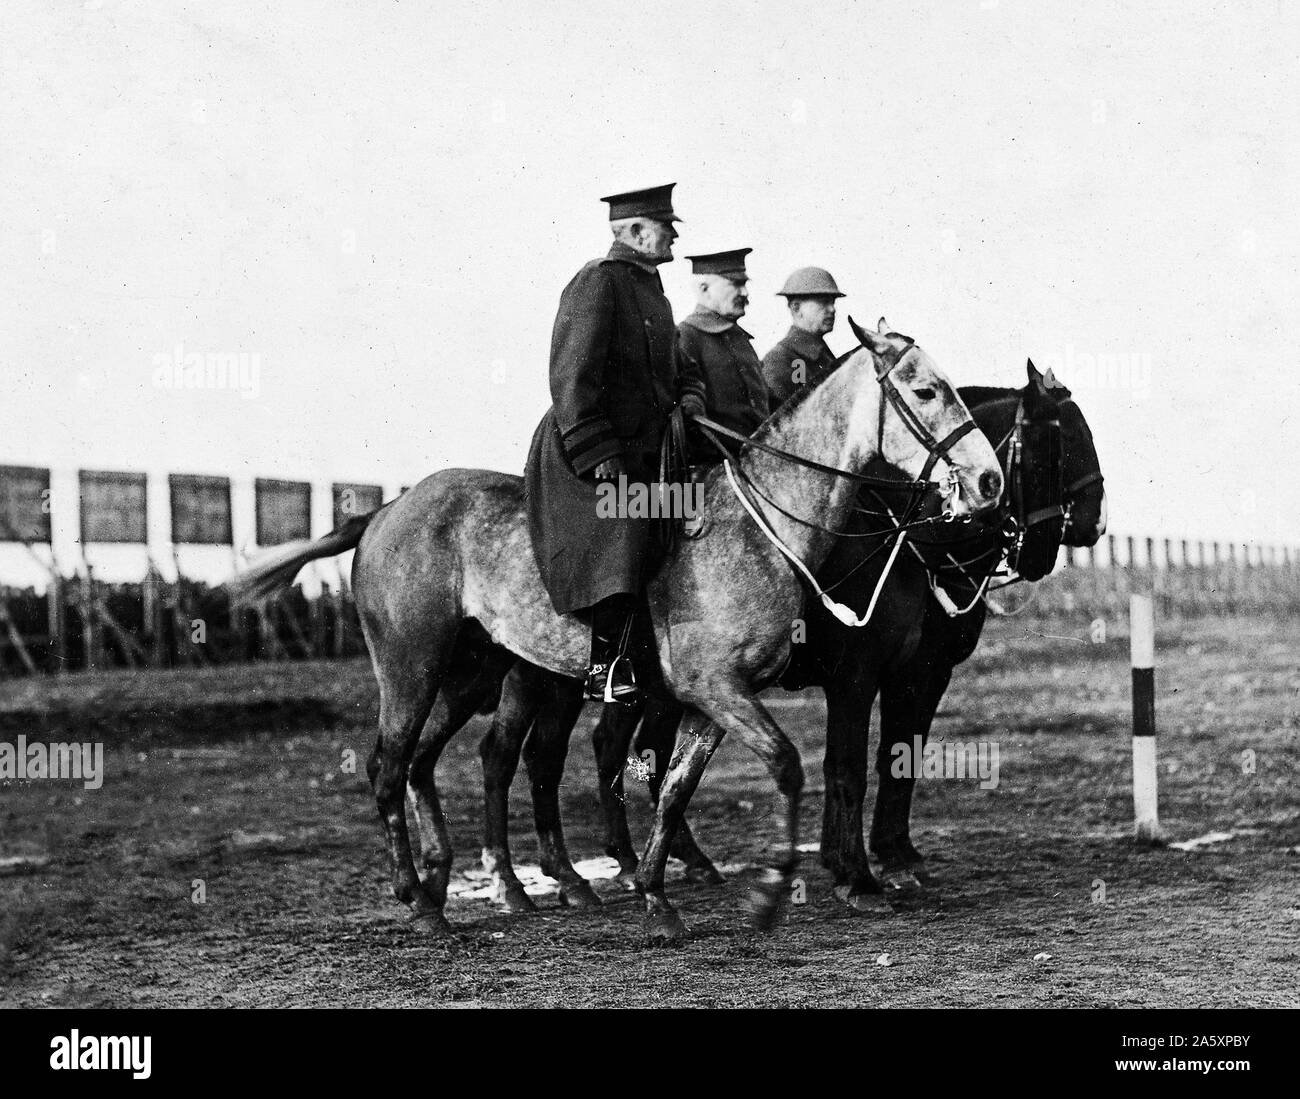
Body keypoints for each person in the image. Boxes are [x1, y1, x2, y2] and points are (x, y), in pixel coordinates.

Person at [524, 184, 706, 704]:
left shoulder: (655, 292)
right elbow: (571, 377)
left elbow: (684, 369)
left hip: (649, 452)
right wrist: (600, 453)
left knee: (688, 516)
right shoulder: (597, 284)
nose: (673, 235)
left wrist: (690, 401)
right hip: (584, 452)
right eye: (666, 227)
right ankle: (607, 666)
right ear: (636, 232)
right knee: (625, 528)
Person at [676, 247, 769, 463]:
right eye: (736, 283)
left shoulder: (741, 340)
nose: (744, 293)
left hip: (758, 464)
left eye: (745, 284)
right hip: (715, 469)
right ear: (704, 289)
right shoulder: (686, 335)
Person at [761, 266, 846, 409]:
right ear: (796, 308)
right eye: (824, 302)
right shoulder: (780, 360)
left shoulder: (823, 356)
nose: (832, 309)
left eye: (832, 302)